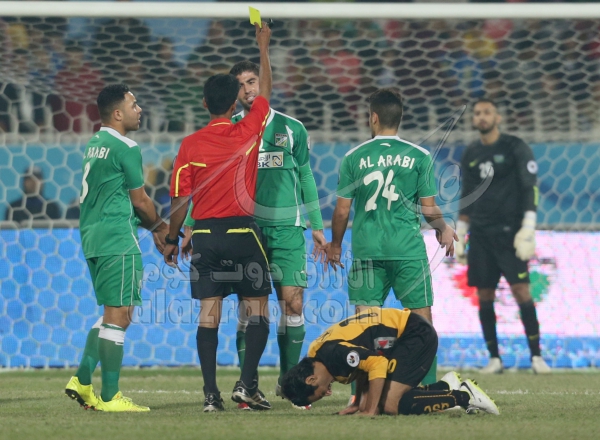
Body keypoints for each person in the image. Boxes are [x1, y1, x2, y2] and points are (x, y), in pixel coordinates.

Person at [181, 59, 327, 410]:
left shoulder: (292, 129)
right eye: (241, 85)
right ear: (233, 95)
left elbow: (305, 176)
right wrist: (189, 223)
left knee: (293, 303)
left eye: (252, 81)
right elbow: (206, 183)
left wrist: (318, 225)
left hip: (286, 228)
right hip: (246, 230)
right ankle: (249, 386)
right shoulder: (229, 130)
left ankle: (289, 382)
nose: (247, 89)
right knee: (250, 310)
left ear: (263, 84)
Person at [163, 22, 273, 413]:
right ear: (234, 102)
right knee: (258, 311)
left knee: (209, 315)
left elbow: (180, 199)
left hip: (207, 237)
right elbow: (266, 94)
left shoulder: (190, 145)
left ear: (204, 103)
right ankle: (246, 384)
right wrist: (263, 48)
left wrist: (173, 239)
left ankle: (211, 394)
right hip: (244, 234)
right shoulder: (249, 130)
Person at [325, 88, 457, 401]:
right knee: (422, 322)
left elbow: (342, 211)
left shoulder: (353, 157)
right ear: (399, 117)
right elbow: (428, 209)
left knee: (364, 325)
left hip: (367, 252)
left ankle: (361, 397)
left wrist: (335, 245)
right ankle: (423, 388)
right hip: (407, 251)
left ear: (373, 118)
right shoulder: (420, 156)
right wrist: (443, 228)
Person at [64, 84, 168, 412]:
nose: (140, 109)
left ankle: (82, 380)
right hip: (118, 239)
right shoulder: (126, 147)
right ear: (118, 113)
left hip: (93, 237)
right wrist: (161, 228)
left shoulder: (95, 143)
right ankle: (110, 397)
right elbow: (141, 200)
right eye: (134, 104)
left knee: (113, 313)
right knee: (120, 315)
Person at [455, 98, 551, 374]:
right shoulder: (471, 152)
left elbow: (529, 187)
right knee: (484, 294)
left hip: (511, 234)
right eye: (477, 113)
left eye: (487, 112)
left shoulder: (515, 147)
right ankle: (494, 359)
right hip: (481, 234)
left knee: (521, 290)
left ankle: (536, 357)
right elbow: (467, 196)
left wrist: (528, 227)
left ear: (498, 117)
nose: (482, 117)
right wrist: (461, 231)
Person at [281, 307, 500, 416]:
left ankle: (464, 396)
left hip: (415, 334)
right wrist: (358, 404)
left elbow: (376, 364)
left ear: (311, 379)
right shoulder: (318, 353)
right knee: (378, 402)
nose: (327, 393)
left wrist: (370, 410)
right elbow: (362, 365)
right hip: (404, 334)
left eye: (320, 393)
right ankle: (444, 386)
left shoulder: (333, 353)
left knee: (389, 405)